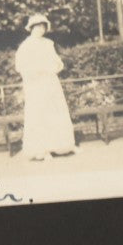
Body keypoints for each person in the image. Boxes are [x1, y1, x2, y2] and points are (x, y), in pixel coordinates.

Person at [14, 12, 76, 161]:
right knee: (40, 115)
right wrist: (36, 72)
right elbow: (21, 66)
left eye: (43, 27)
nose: (40, 30)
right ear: (31, 28)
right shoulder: (26, 46)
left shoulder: (48, 43)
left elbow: (56, 61)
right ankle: (43, 149)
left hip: (50, 82)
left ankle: (62, 146)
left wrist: (52, 68)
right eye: (37, 27)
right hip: (36, 85)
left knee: (55, 112)